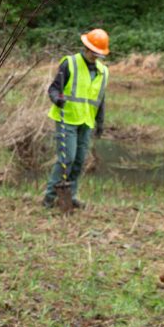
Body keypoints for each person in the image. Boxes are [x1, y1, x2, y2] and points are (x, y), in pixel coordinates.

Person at [43, 28, 110, 209]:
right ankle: (49, 198)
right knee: (67, 159)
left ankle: (70, 196)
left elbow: (100, 99)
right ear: (86, 48)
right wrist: (57, 99)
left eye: (99, 54)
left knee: (79, 160)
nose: (95, 56)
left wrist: (100, 122)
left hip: (86, 121)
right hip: (67, 118)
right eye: (93, 52)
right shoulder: (70, 63)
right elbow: (53, 88)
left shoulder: (103, 72)